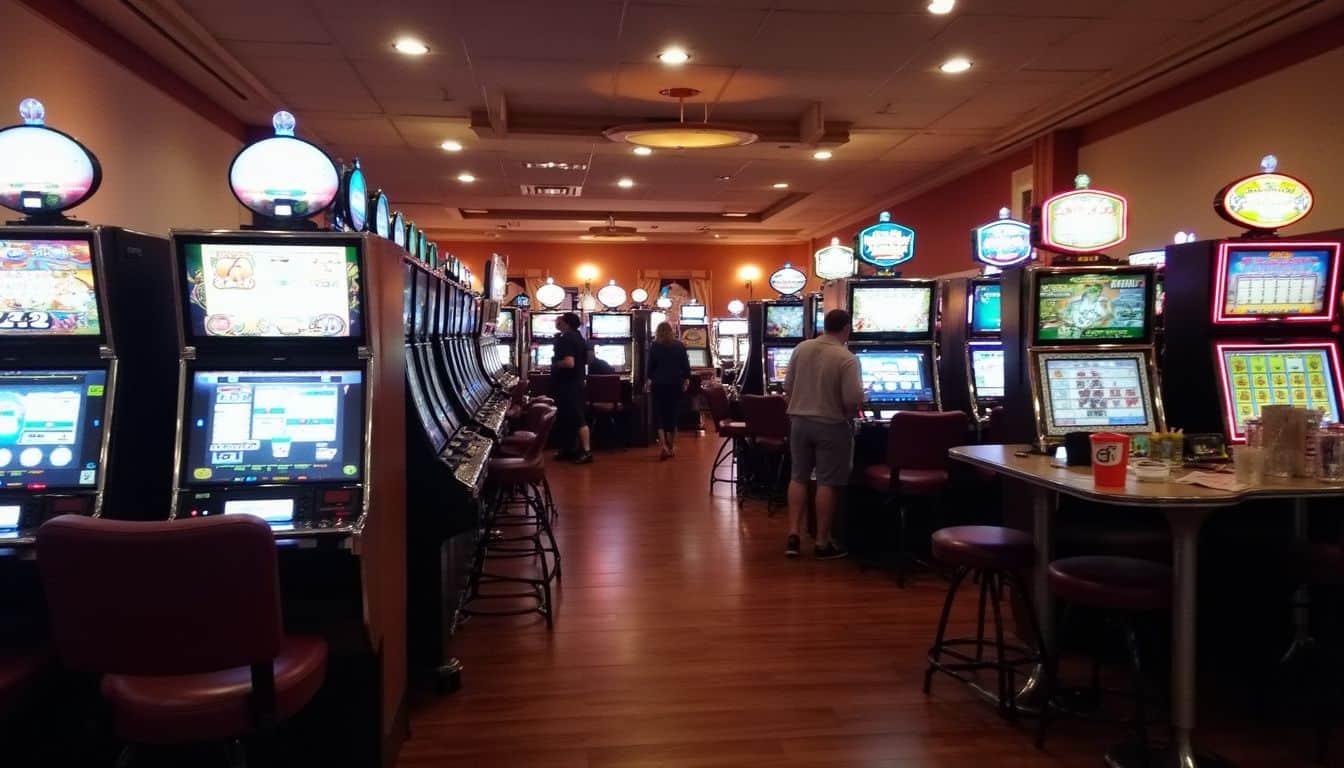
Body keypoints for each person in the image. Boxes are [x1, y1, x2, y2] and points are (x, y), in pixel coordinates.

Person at [782, 308, 863, 560]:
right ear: (846, 328)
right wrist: (850, 414)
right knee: (827, 482)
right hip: (830, 423)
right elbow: (853, 399)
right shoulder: (846, 357)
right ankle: (822, 541)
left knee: (798, 477)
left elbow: (787, 387)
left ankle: (793, 535)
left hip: (799, 421)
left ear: (824, 325)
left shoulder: (801, 348)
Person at [646, 321, 691, 460]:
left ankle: (663, 446)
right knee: (673, 414)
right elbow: (686, 367)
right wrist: (686, 379)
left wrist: (650, 379)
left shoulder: (654, 346)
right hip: (675, 384)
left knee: (659, 415)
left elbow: (649, 369)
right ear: (672, 331)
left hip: (659, 384)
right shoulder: (679, 345)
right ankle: (671, 447)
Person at [552, 312, 593, 464]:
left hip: (569, 384)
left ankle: (587, 452)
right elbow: (589, 359)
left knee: (577, 418)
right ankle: (569, 449)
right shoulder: (579, 337)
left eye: (560, 319)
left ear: (566, 323)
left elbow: (569, 363)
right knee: (569, 417)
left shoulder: (566, 339)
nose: (557, 321)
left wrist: (556, 364)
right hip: (578, 381)